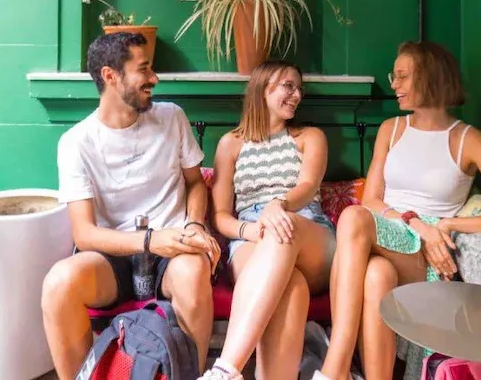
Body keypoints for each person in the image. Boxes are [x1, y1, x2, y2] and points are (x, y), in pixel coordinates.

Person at [315, 41, 481, 380]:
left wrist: (450, 223)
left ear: (431, 78)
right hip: (396, 229)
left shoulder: (468, 139)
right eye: (394, 76)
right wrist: (414, 222)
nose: (394, 84)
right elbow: (372, 199)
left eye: (403, 76)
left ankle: (334, 369)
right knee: (376, 274)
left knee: (351, 218)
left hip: (430, 255)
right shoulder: (391, 130)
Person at [41, 32, 221, 380]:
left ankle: (192, 374)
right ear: (111, 76)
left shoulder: (172, 118)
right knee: (58, 283)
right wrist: (150, 240)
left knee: (194, 272)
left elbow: (196, 182)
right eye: (144, 69)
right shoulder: (76, 143)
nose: (154, 79)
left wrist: (195, 225)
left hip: (174, 251)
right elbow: (85, 232)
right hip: (115, 257)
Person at [198, 60, 337, 380]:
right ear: (262, 88)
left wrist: (279, 205)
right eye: (288, 86)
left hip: (306, 226)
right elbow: (220, 215)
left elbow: (308, 186)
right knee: (292, 287)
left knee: (281, 232)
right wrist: (250, 229)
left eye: (299, 88)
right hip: (251, 233)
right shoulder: (230, 144)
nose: (297, 94)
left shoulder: (309, 136)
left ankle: (225, 369)